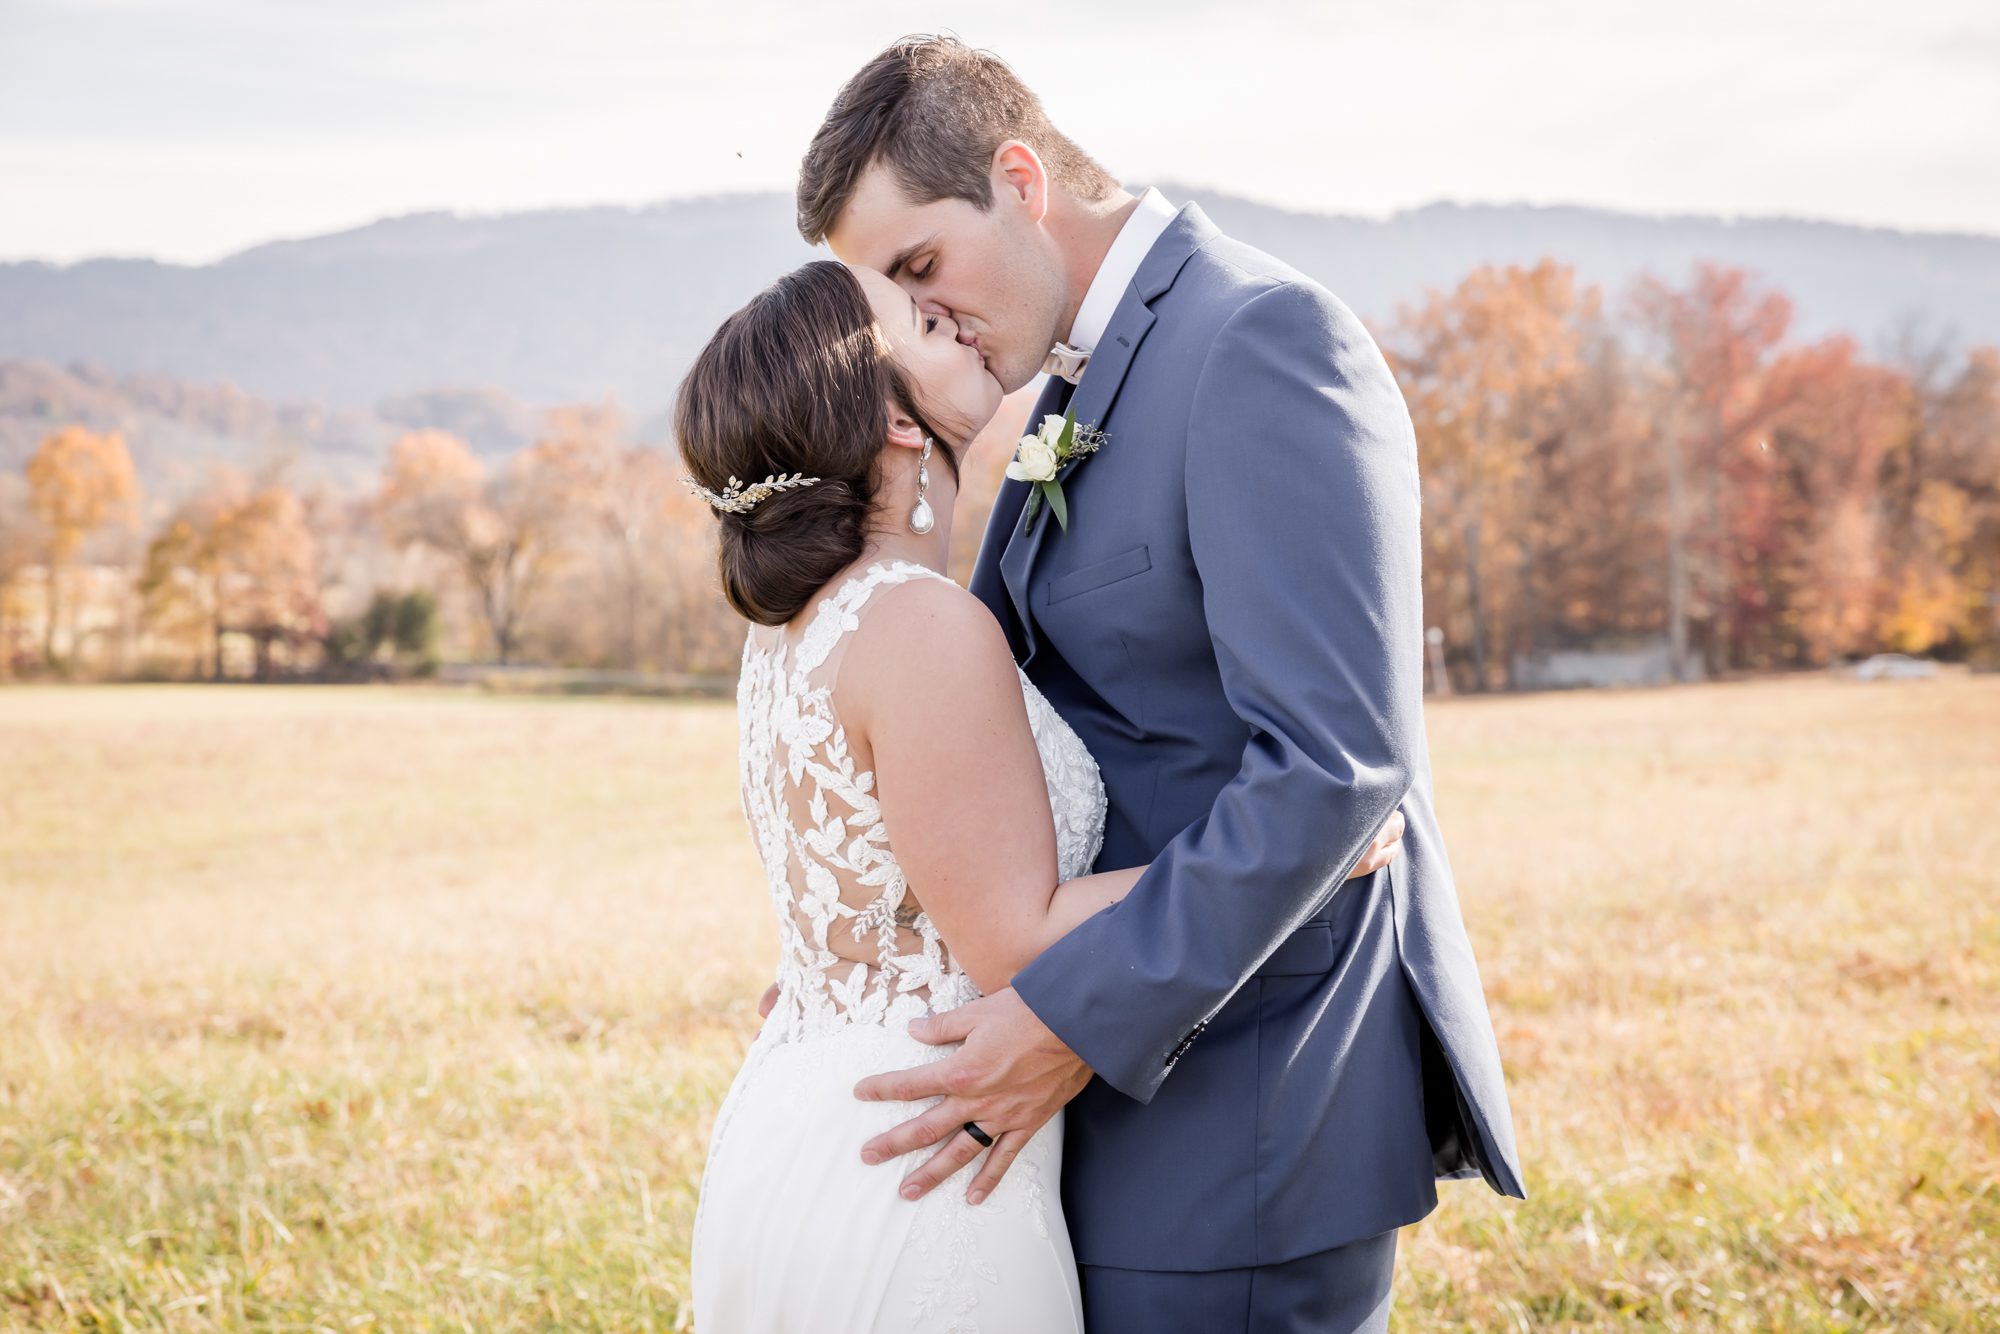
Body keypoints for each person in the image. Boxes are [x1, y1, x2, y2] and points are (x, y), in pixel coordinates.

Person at [793, 34, 1527, 1333]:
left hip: (1240, 1126)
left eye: (919, 268)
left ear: (1020, 178)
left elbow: (1333, 773)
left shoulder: (1258, 341)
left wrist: (1069, 1018)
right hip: (1114, 1124)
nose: (920, 321)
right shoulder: (1070, 380)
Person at [678, 259, 1404, 1330]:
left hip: (813, 1115)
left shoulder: (792, 632)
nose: (962, 328)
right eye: (925, 322)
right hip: (929, 1156)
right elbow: (1014, 939)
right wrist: (1301, 845)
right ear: (890, 420)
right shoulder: (918, 620)